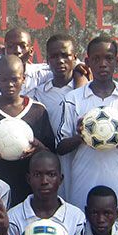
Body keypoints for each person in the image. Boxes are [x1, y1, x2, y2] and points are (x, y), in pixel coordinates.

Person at [56, 36, 118, 216]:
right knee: (82, 231)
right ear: (88, 62)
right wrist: (81, 136)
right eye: (96, 59)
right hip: (82, 185)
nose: (103, 64)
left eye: (108, 58)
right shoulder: (73, 99)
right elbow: (60, 147)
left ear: (117, 61)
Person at [0, 55, 56, 206]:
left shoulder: (38, 111)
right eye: (4, 79)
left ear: (23, 79)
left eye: (15, 79)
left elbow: (52, 153)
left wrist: (39, 149)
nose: (10, 84)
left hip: (28, 188)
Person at [31, 34, 82, 196]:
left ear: (74, 58)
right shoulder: (39, 94)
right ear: (47, 60)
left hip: (80, 160)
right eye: (54, 56)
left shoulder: (85, 91)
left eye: (65, 55)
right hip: (51, 162)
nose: (60, 60)